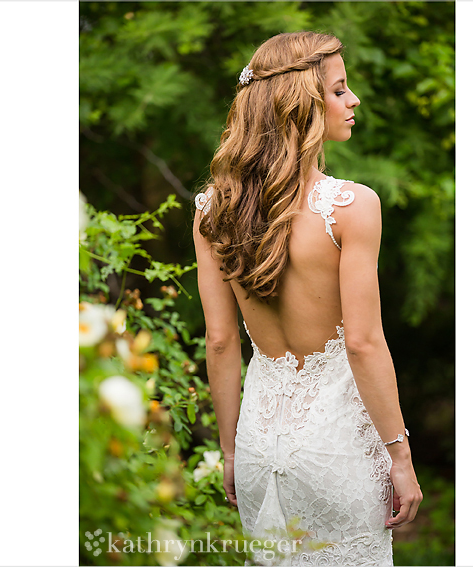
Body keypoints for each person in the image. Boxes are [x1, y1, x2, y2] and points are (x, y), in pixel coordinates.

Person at [192, 31, 422, 566]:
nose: (353, 100)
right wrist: (401, 456)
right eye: (339, 90)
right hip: (336, 448)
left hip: (255, 445)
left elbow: (222, 342)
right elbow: (363, 344)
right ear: (303, 107)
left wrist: (229, 453)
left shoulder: (211, 210)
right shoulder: (352, 206)